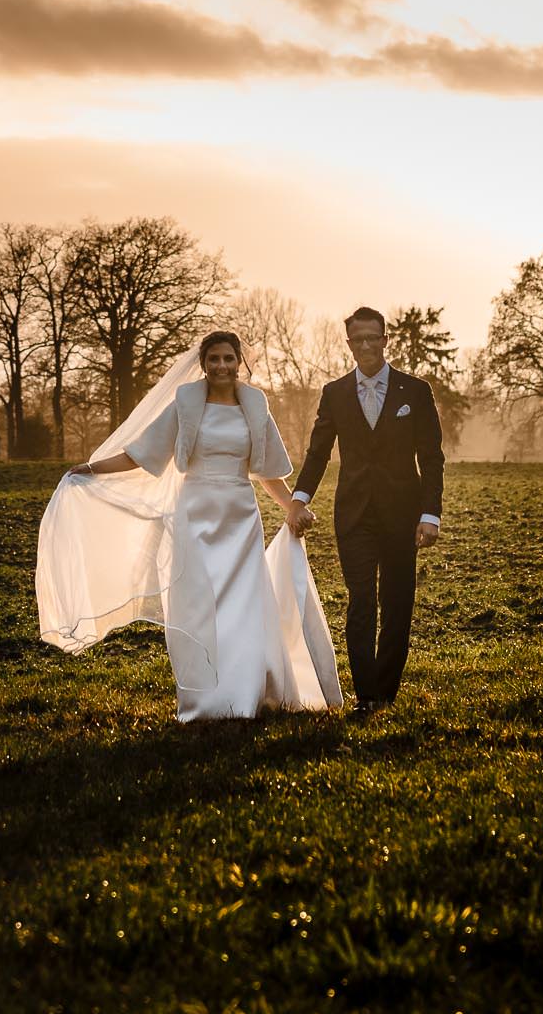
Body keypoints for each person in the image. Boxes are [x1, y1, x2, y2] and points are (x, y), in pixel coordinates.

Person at [35, 331, 342, 720]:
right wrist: (92, 470)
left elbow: (265, 471)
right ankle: (206, 698)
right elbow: (141, 453)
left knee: (243, 607)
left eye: (228, 358)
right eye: (214, 359)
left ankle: (245, 696)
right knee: (199, 607)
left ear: (239, 362)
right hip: (195, 514)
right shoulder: (186, 403)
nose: (221, 366)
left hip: (241, 517)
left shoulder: (255, 403)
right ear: (203, 363)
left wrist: (292, 507)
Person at [292, 306, 445, 712]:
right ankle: (365, 695)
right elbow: (318, 453)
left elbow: (431, 458)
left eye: (372, 338)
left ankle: (385, 693)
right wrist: (299, 498)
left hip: (402, 513)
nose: (365, 346)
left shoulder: (415, 391)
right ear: (349, 344)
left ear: (384, 340)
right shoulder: (335, 393)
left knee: (397, 602)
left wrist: (430, 514)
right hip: (354, 514)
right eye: (357, 339)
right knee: (361, 599)